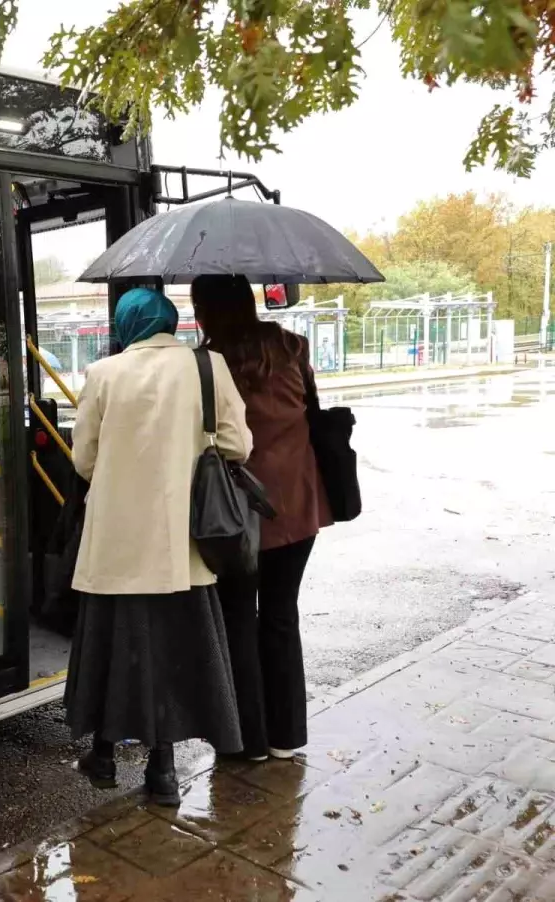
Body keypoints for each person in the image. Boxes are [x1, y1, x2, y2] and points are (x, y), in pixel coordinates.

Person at [66, 285, 252, 805]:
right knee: (171, 651)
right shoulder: (206, 367)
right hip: (183, 544)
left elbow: (84, 460)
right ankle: (163, 772)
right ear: (171, 323)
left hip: (115, 545)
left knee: (112, 649)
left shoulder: (103, 374)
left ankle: (103, 755)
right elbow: (238, 445)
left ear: (126, 326)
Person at [191, 274, 333, 762]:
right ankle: (287, 737)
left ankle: (246, 741)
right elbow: (312, 411)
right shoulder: (292, 347)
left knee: (238, 619)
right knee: (280, 616)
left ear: (205, 310)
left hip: (234, 515)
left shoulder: (206, 366)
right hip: (298, 505)